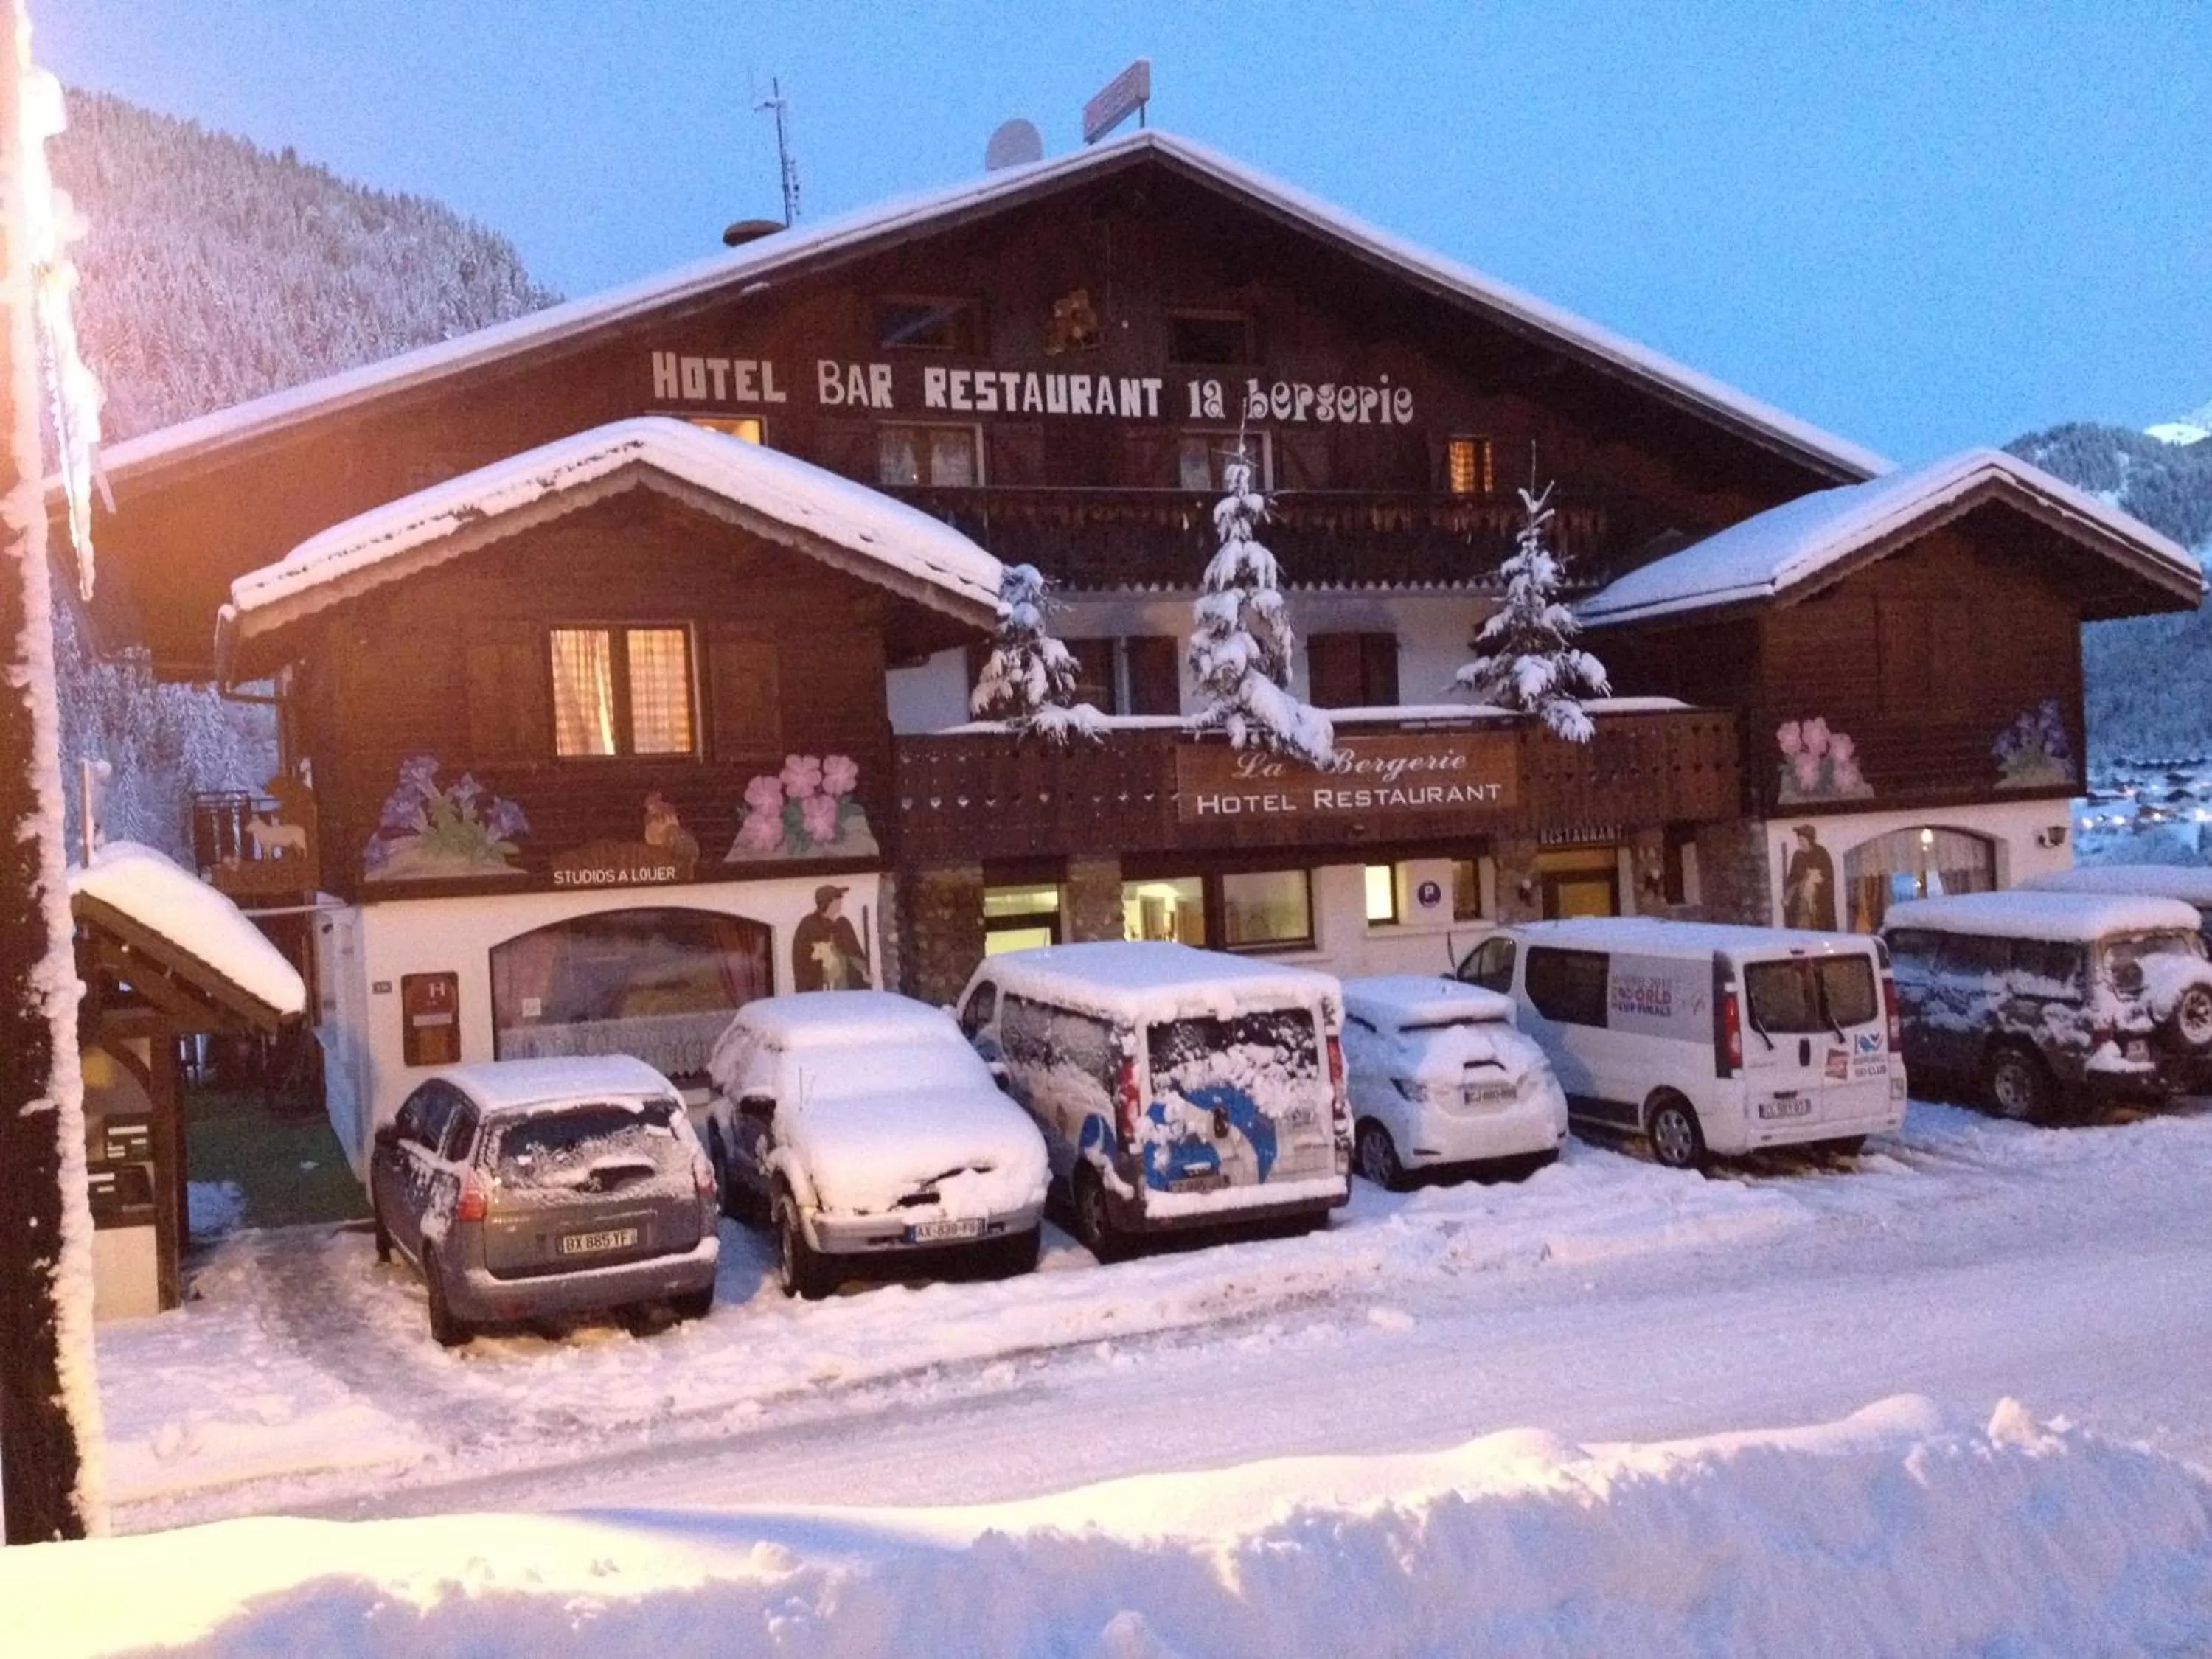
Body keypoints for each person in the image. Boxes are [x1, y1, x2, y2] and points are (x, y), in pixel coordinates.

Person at [792, 884, 870, 990]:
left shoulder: (843, 925)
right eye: (837, 900)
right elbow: (803, 960)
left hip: (846, 990)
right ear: (829, 902)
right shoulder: (809, 925)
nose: (840, 903)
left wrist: (864, 972)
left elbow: (854, 955)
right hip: (822, 992)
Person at [1782, 824, 1837, 931]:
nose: (1800, 844)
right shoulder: (1798, 856)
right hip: (1801, 905)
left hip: (1819, 904)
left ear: (1810, 840)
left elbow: (1827, 878)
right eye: (1799, 840)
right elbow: (1792, 879)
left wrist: (1816, 880)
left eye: (1802, 840)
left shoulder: (1822, 854)